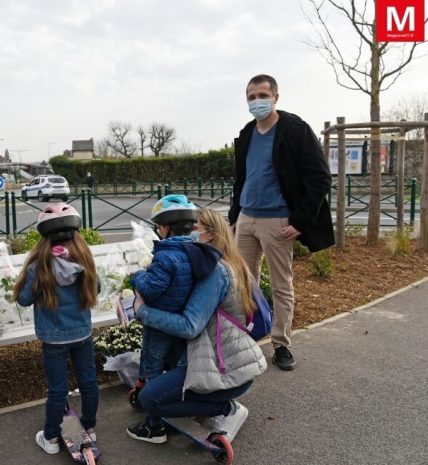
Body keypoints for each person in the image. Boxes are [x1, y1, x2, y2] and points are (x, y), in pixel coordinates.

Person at [127, 208, 267, 444]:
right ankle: (204, 404)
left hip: (225, 370)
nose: (188, 234)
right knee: (169, 369)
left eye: (194, 229)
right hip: (232, 362)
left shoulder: (216, 272)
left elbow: (189, 326)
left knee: (150, 399)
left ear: (210, 235)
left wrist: (142, 311)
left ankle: (224, 408)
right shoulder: (231, 261)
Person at [228, 74, 334, 371]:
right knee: (241, 285)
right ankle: (243, 340)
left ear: (275, 97)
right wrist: (235, 218)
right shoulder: (247, 133)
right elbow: (242, 179)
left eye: (262, 95)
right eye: (251, 96)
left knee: (280, 285)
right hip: (247, 220)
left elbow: (319, 177)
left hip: (277, 221)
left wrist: (300, 221)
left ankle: (281, 344)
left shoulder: (295, 130)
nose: (256, 101)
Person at [14, 203, 100, 455]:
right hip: (82, 333)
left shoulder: (38, 268)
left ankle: (51, 437)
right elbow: (97, 291)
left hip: (53, 339)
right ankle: (90, 427)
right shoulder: (85, 262)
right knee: (88, 381)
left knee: (58, 388)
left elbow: (23, 299)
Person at [131, 195, 218, 387]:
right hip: (180, 321)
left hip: (159, 324)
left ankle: (154, 414)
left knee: (153, 368)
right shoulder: (195, 251)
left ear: (165, 228)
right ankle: (174, 403)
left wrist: (137, 275)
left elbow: (150, 290)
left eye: (158, 226)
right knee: (177, 367)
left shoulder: (165, 257)